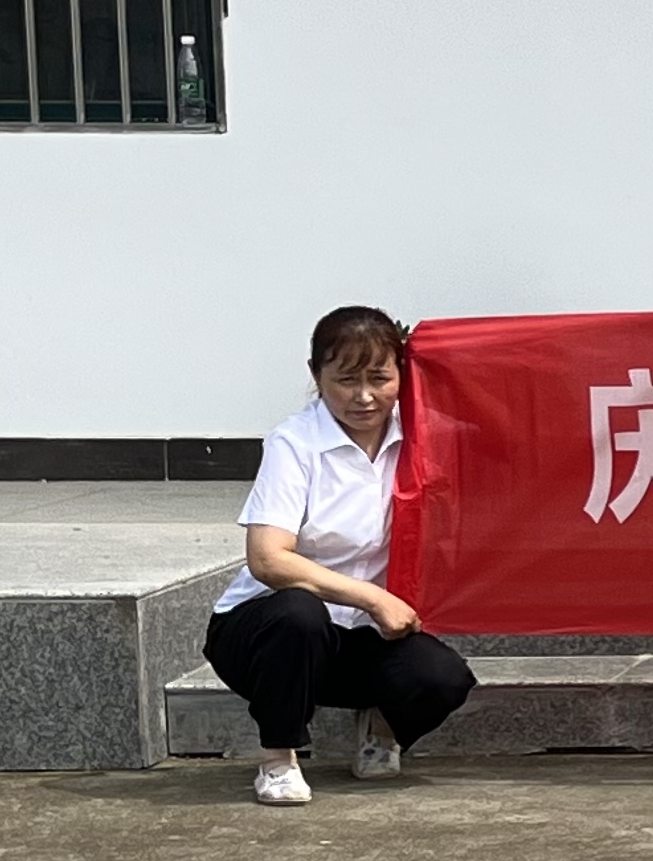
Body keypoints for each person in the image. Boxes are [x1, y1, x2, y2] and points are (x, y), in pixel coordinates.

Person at [203, 306, 479, 806]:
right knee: (299, 612)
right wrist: (373, 597)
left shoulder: (423, 438)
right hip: (268, 636)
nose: (364, 396)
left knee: (443, 678)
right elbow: (268, 560)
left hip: (364, 637)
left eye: (379, 378)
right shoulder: (295, 443)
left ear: (403, 375)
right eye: (347, 380)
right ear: (317, 376)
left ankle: (380, 731)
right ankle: (277, 759)